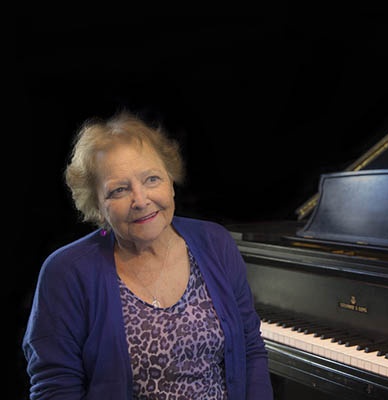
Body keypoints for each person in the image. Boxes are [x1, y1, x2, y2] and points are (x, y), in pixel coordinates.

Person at [21, 110, 274, 400]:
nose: (141, 200)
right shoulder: (66, 271)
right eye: (119, 190)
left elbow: (250, 349)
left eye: (152, 179)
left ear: (171, 182)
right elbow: (55, 388)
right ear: (97, 206)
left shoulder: (215, 242)